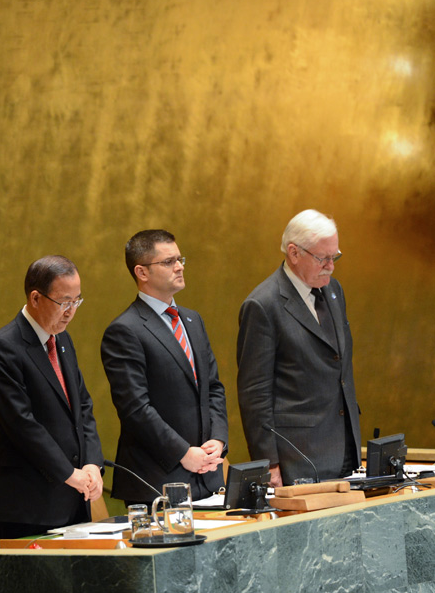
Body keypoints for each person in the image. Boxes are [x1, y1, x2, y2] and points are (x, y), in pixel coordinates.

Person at [0, 255, 104, 541]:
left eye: (77, 301)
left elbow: (82, 408)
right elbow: (21, 425)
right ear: (36, 298)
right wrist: (68, 473)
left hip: (74, 500)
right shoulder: (4, 348)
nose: (71, 311)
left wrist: (91, 464)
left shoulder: (63, 341)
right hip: (29, 506)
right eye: (64, 302)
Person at [101, 230, 227, 505]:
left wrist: (218, 440)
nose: (179, 266)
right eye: (168, 262)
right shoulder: (125, 330)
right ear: (141, 272)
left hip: (208, 475)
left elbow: (213, 388)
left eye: (180, 259)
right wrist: (183, 453)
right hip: (158, 480)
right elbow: (136, 408)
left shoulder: (193, 320)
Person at [237, 209, 360, 487]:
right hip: (298, 456)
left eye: (334, 256)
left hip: (344, 447)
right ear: (294, 253)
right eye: (323, 258)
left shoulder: (333, 290)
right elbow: (254, 393)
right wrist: (269, 463)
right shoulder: (262, 305)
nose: (331, 265)